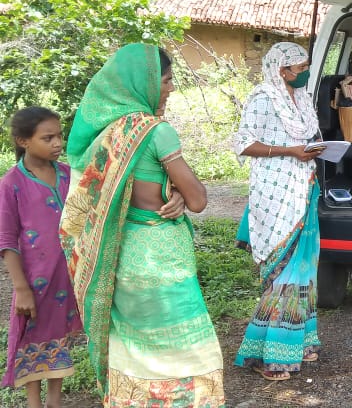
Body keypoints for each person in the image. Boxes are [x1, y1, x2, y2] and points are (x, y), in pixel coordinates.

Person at [59, 43, 224, 405]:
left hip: (124, 258)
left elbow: (104, 196)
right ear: (144, 84)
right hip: (163, 260)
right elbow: (197, 200)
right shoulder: (156, 131)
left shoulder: (108, 134)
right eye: (166, 80)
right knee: (187, 351)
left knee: (133, 349)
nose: (169, 88)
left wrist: (171, 189)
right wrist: (181, 190)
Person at [232, 41, 324, 382]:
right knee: (283, 270)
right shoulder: (262, 97)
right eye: (299, 69)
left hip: (304, 188)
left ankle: (299, 342)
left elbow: (307, 138)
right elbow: (244, 143)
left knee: (304, 269)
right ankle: (268, 353)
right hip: (275, 193)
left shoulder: (302, 98)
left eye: (305, 68)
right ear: (281, 70)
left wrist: (313, 151)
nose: (304, 74)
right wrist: (290, 150)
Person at [1, 107, 83, 408]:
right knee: (31, 338)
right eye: (47, 138)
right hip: (35, 280)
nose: (57, 143)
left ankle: (54, 402)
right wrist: (21, 288)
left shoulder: (67, 174)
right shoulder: (12, 184)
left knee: (57, 335)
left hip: (67, 276)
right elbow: (7, 241)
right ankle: (34, 403)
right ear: (24, 141)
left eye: (59, 136)